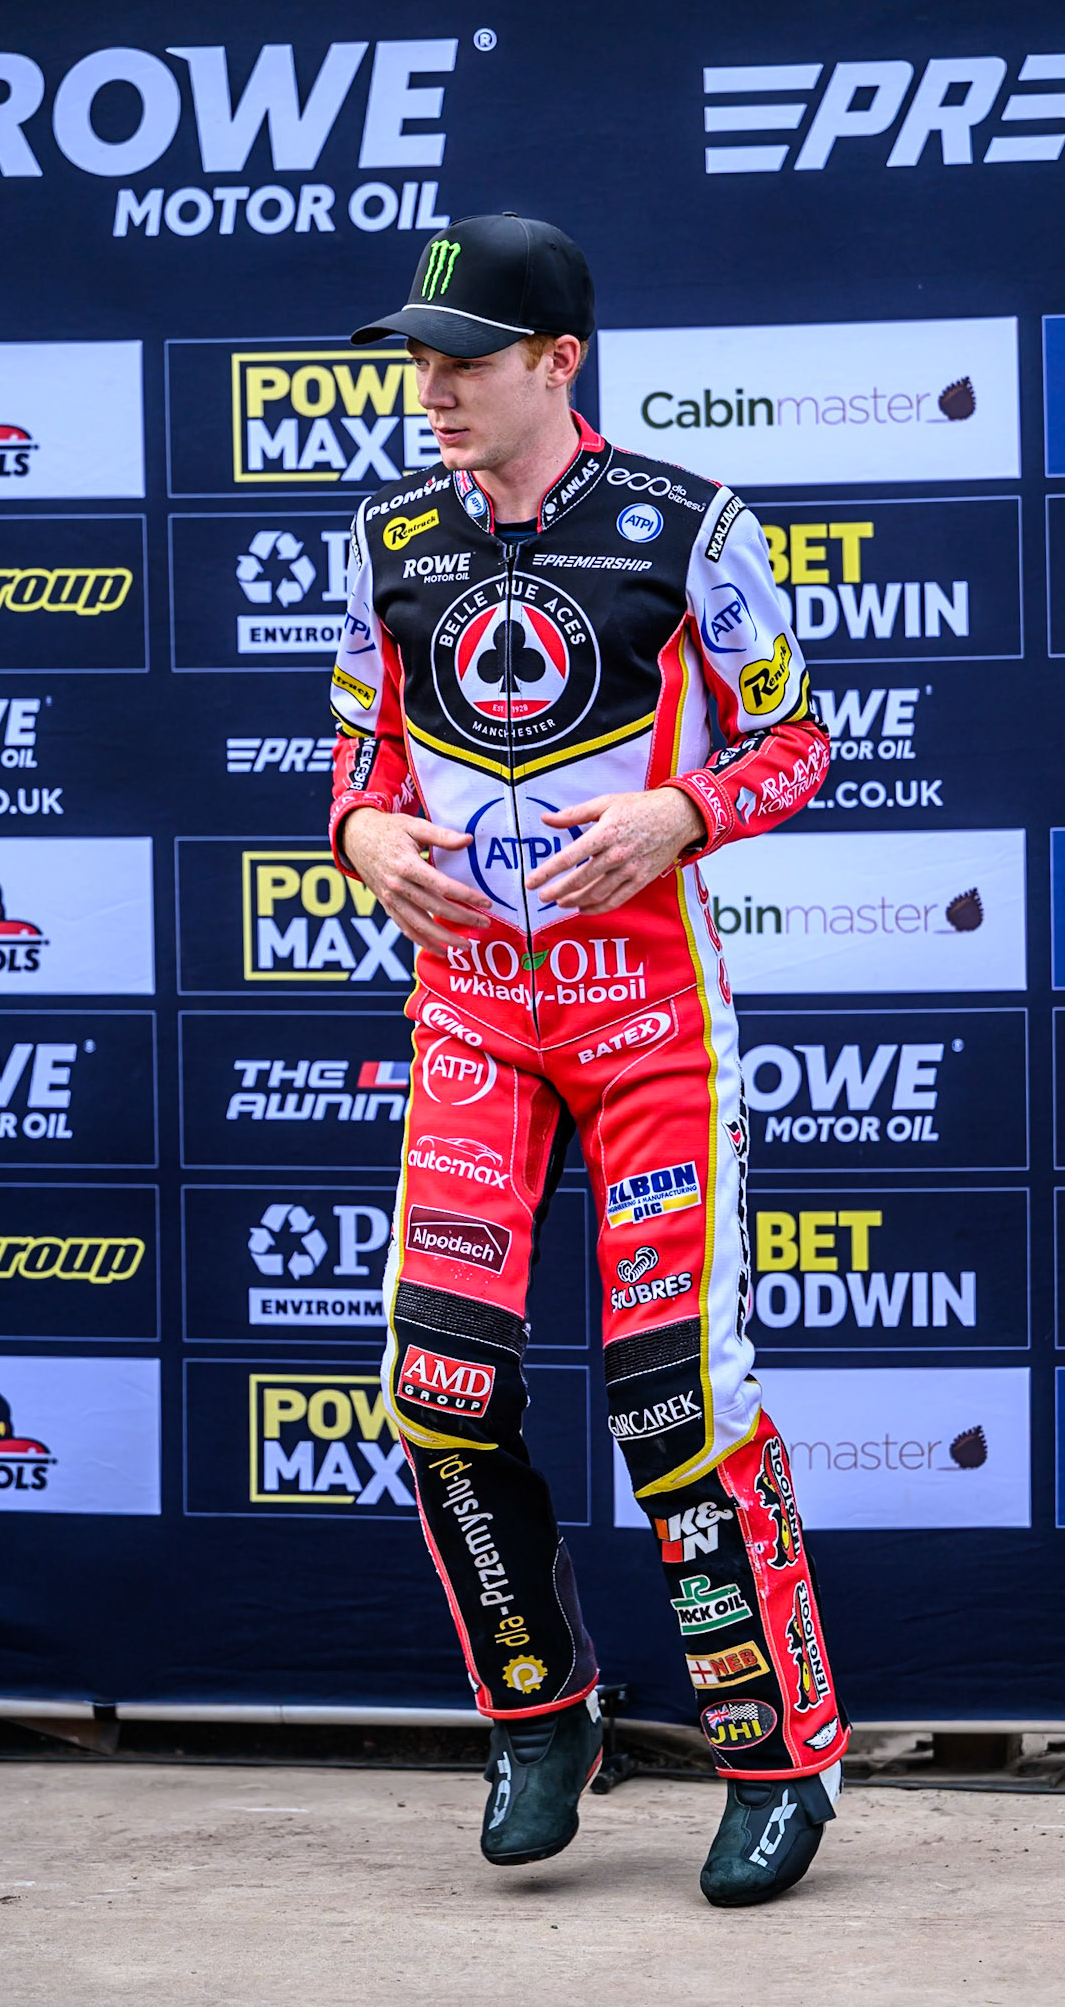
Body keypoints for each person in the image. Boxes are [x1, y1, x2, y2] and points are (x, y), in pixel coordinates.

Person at [328, 213, 846, 1908]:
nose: (434, 391)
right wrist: (360, 839)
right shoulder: (388, 536)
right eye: (419, 359)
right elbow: (357, 752)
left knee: (669, 1399)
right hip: (475, 1014)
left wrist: (686, 807)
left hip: (648, 1025)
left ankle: (776, 1759)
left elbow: (795, 735)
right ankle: (540, 1711)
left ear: (559, 361)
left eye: (466, 361)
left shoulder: (689, 526)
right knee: (439, 1387)